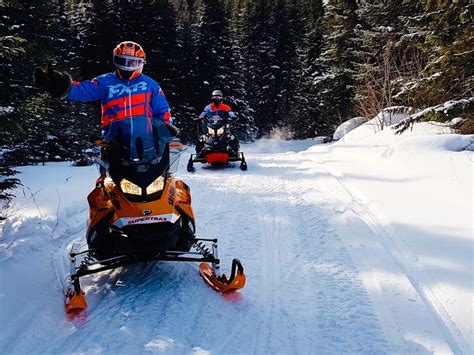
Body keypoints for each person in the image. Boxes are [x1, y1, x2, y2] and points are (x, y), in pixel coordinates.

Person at [34, 41, 172, 164]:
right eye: (122, 61)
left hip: (146, 143)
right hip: (113, 144)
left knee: (161, 180)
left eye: (133, 62)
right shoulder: (105, 82)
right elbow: (83, 90)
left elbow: (162, 110)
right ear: (115, 60)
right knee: (108, 184)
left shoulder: (150, 85)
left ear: (141, 63)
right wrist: (62, 85)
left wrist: (165, 134)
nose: (127, 67)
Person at [196, 89, 239, 154]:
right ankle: (199, 153)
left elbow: (231, 113)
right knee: (202, 138)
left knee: (231, 137)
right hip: (211, 125)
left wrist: (233, 117)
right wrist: (199, 118)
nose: (216, 98)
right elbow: (203, 114)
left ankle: (235, 152)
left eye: (218, 97)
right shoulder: (208, 107)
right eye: (215, 97)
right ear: (212, 97)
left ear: (221, 97)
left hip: (222, 125)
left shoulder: (226, 107)